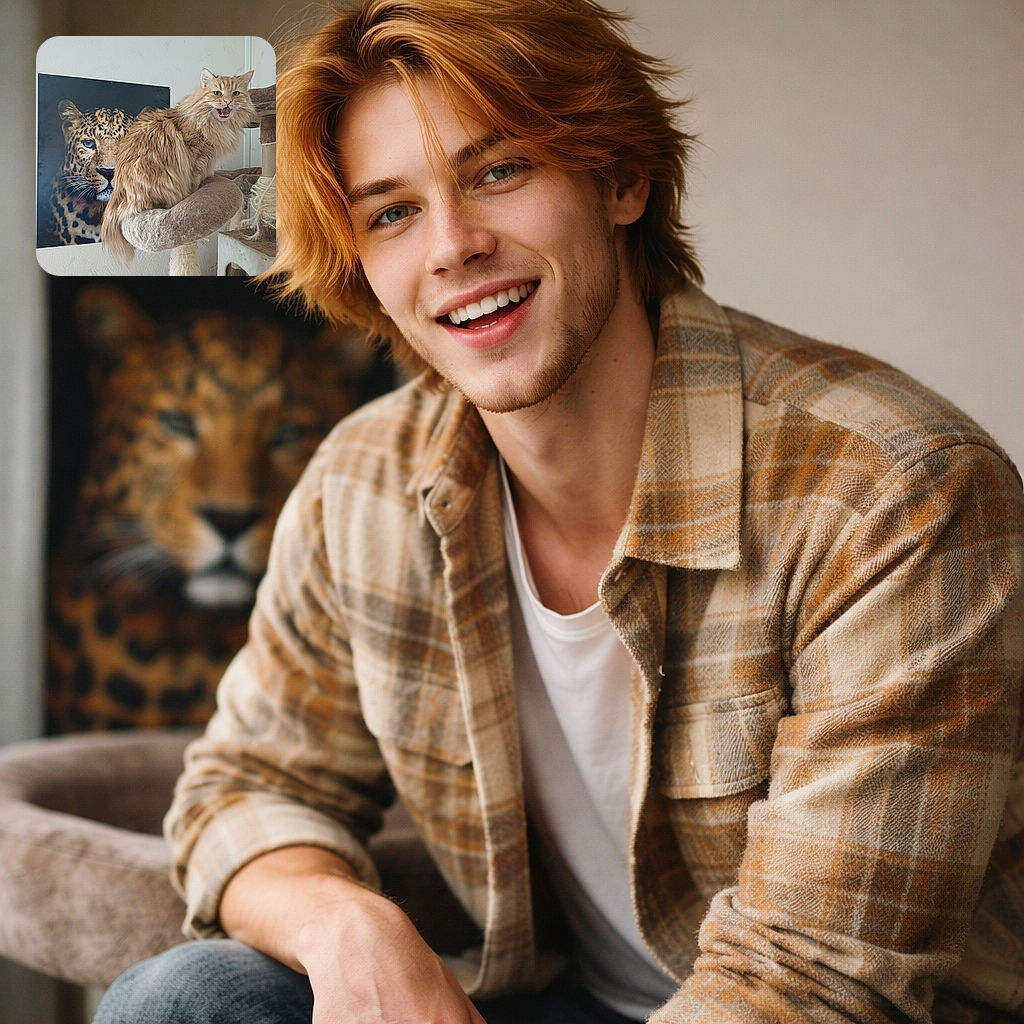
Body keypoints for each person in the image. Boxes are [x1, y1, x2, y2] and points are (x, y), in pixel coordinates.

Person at [94, 0, 1024, 1021]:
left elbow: (815, 982)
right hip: (573, 999)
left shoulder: (894, 492)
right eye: (391, 211)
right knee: (186, 995)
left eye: (499, 171)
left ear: (620, 179)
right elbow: (242, 784)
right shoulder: (363, 481)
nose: (452, 245)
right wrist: (337, 921)